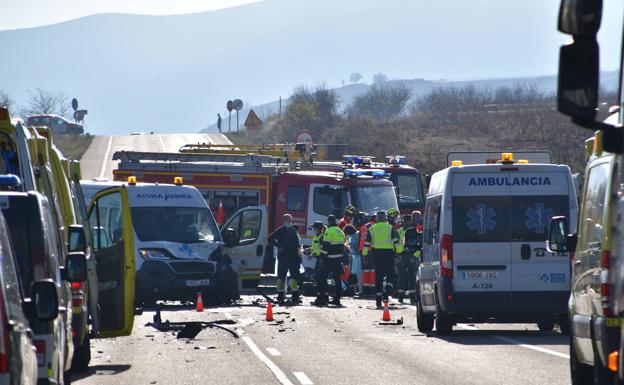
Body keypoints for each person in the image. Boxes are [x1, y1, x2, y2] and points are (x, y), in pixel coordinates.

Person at [362, 211, 400, 308]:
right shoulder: (390, 228)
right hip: (389, 254)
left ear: (377, 219)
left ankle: (378, 301)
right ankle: (387, 291)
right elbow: (396, 242)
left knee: (378, 277)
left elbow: (366, 243)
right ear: (385, 218)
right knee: (390, 274)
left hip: (377, 254)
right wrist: (399, 253)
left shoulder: (371, 229)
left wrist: (364, 255)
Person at [267, 214, 302, 304]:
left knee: (294, 278)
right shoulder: (280, 230)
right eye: (288, 221)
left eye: (291, 221)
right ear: (284, 221)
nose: (290, 223)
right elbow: (270, 238)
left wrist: (299, 252)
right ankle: (280, 295)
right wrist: (278, 246)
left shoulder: (293, 231)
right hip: (283, 258)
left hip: (293, 258)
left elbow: (297, 243)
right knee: (281, 278)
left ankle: (295, 296)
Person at [317, 215, 346, 306]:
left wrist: (322, 257)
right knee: (337, 279)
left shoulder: (329, 231)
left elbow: (326, 246)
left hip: (330, 259)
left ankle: (324, 297)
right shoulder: (341, 231)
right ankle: (337, 299)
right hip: (339, 259)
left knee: (323, 277)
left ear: (329, 222)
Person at [397, 211, 424, 303]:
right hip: (402, 255)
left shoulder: (415, 230)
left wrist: (415, 257)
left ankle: (412, 296)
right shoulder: (399, 231)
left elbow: (420, 245)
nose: (406, 222)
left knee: (412, 276)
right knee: (401, 276)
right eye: (404, 220)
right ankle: (400, 295)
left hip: (412, 255)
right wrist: (398, 255)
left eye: (408, 220)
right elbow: (396, 243)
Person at [358, 212, 376, 295]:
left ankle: (365, 289)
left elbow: (360, 240)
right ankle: (373, 288)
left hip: (363, 251)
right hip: (373, 250)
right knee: (373, 270)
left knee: (365, 270)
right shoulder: (376, 227)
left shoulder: (363, 227)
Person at [310, 221, 327, 303]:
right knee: (319, 279)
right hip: (317, 259)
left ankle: (321, 298)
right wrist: (310, 251)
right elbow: (315, 248)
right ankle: (321, 297)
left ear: (317, 229)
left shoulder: (322, 237)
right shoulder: (316, 236)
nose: (313, 229)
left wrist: (321, 258)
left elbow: (322, 249)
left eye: (314, 227)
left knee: (321, 280)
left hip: (321, 260)